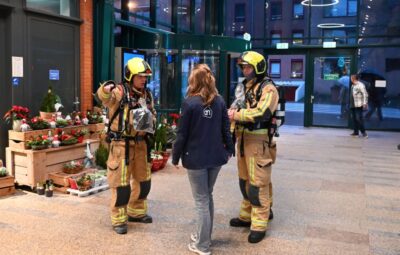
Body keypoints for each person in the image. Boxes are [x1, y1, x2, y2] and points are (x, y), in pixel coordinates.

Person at [172, 64, 234, 255]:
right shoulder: (220, 101)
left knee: (201, 200)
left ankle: (202, 245)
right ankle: (203, 237)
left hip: (196, 158)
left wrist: (175, 157)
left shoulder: (189, 103)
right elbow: (226, 129)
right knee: (207, 196)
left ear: (194, 81)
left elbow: (182, 134)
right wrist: (230, 148)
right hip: (216, 157)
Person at [96, 57, 156, 234]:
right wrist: (106, 88)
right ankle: (119, 220)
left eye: (145, 77)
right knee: (121, 185)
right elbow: (104, 97)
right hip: (122, 145)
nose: (144, 80)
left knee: (143, 181)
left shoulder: (147, 94)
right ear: (130, 76)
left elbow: (152, 114)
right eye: (140, 76)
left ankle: (136, 212)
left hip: (141, 145)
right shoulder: (119, 92)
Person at [227, 51, 279, 244]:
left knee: (258, 184)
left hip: (258, 143)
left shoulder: (268, 89)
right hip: (243, 141)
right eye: (243, 67)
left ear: (258, 67)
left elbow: (262, 113)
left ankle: (259, 224)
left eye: (248, 67)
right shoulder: (247, 87)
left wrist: (236, 115)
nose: (245, 70)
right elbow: (239, 106)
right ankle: (246, 216)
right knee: (245, 181)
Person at [349, 74, 368, 138]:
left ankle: (364, 133)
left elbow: (365, 94)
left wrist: (365, 103)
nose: (350, 79)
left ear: (353, 78)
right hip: (352, 104)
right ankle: (356, 132)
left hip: (358, 105)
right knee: (354, 119)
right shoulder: (353, 85)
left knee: (358, 119)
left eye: (351, 78)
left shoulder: (360, 85)